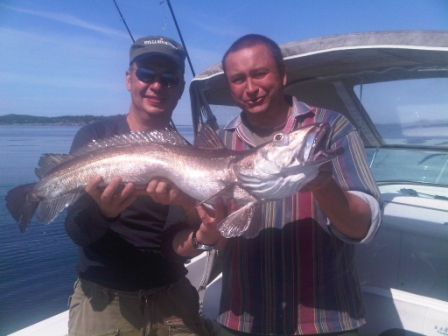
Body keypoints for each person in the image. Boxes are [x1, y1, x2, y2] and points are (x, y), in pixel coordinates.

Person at [170, 34, 383, 335]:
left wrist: (323, 184)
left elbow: (361, 226)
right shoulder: (219, 143)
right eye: (238, 79)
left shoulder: (330, 128)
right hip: (243, 317)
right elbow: (213, 233)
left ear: (283, 75)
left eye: (260, 73)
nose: (251, 88)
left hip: (326, 318)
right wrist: (193, 211)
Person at [65, 35, 213, 336]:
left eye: (169, 79)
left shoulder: (188, 157)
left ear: (180, 89)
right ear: (129, 79)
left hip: (173, 303)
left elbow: (172, 247)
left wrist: (187, 206)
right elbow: (77, 231)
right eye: (146, 75)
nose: (157, 86)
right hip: (104, 305)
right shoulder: (94, 139)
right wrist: (104, 212)